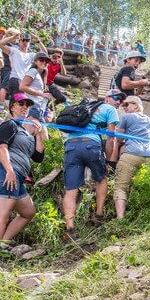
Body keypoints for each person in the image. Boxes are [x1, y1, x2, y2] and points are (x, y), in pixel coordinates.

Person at [0, 93, 48, 272]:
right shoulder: (9, 124)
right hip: (6, 173)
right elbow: (1, 148)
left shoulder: (25, 131)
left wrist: (39, 134)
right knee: (2, 216)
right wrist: (9, 170)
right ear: (12, 107)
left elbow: (38, 157)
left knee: (28, 212)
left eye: (27, 105)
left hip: (17, 177)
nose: (24, 108)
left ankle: (2, 245)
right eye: (20, 104)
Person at [61, 92, 119, 241]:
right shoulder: (110, 109)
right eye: (117, 98)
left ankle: (70, 228)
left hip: (71, 146)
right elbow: (111, 138)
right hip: (91, 145)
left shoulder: (82, 108)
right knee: (102, 179)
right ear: (107, 99)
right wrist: (107, 159)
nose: (119, 102)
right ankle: (98, 215)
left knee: (70, 190)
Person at [111, 96, 150, 219]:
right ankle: (146, 216)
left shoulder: (126, 118)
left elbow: (119, 139)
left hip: (131, 155)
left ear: (136, 105)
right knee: (145, 187)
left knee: (120, 188)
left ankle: (120, 219)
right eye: (123, 105)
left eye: (127, 105)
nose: (124, 107)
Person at [0, 32, 47, 99]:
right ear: (19, 41)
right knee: (22, 100)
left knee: (16, 103)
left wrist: (38, 41)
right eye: (23, 40)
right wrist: (12, 37)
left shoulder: (31, 55)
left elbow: (44, 54)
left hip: (23, 82)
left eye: (27, 40)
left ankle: (5, 106)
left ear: (29, 43)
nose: (25, 42)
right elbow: (0, 44)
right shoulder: (14, 51)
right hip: (15, 79)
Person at [20, 52, 52, 121]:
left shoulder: (41, 74)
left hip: (39, 106)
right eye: (41, 60)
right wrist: (42, 94)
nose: (44, 62)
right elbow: (22, 87)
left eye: (46, 61)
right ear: (35, 61)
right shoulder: (33, 71)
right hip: (33, 106)